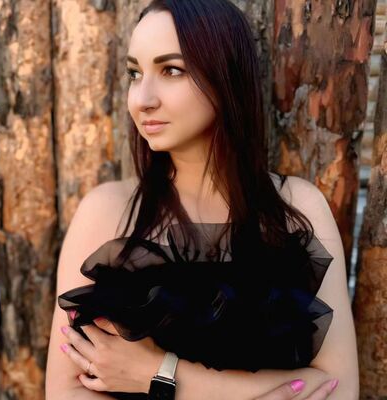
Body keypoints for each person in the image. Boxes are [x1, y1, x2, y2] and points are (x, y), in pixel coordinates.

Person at [45, 0, 359, 399]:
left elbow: (338, 388)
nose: (142, 99)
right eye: (135, 74)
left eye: (171, 70)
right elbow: (66, 391)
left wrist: (158, 373)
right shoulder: (106, 212)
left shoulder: (298, 209)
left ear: (226, 75)